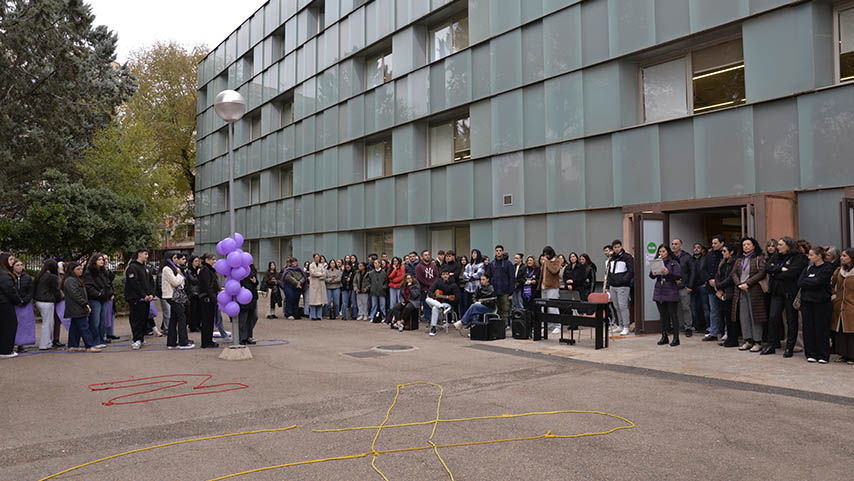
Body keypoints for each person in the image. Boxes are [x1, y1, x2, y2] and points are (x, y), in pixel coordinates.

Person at [764, 237, 807, 356]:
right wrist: (780, 269)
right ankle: (771, 345)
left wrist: (775, 273)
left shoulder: (799, 257)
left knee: (791, 320)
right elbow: (767, 267)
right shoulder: (777, 255)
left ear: (788, 246)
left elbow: (792, 273)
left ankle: (789, 347)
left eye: (780, 245)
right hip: (776, 292)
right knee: (773, 318)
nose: (777, 247)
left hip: (790, 292)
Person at [731, 237, 768, 352]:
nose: (746, 246)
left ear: (754, 246)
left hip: (754, 290)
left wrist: (748, 283)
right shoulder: (739, 259)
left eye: (748, 244)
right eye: (744, 245)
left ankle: (757, 342)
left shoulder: (759, 258)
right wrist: (739, 284)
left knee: (755, 316)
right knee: (744, 316)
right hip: (741, 290)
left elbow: (761, 272)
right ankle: (748, 340)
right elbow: (733, 273)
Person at [798, 246, 834, 364]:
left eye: (811, 255)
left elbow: (820, 282)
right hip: (807, 302)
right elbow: (800, 282)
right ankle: (810, 353)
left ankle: (823, 354)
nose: (809, 257)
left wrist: (809, 282)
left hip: (821, 302)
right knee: (808, 328)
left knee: (821, 328)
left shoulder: (827, 267)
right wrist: (812, 282)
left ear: (819, 256)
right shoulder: (809, 267)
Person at [62, 262, 100, 353]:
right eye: (78, 269)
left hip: (76, 307)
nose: (81, 271)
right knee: (84, 327)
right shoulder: (70, 280)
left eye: (81, 268)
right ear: (72, 270)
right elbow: (75, 294)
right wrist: (84, 303)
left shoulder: (74, 279)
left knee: (75, 328)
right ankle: (90, 345)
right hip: (77, 307)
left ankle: (73, 346)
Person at [650, 244, 682, 347]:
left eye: (663, 251)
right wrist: (653, 272)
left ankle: (676, 338)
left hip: (671, 291)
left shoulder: (673, 263)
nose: (661, 253)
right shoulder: (657, 262)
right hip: (660, 290)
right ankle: (664, 336)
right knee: (663, 316)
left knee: (673, 315)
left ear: (668, 252)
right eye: (660, 251)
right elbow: (651, 276)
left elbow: (678, 276)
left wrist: (668, 273)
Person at [161, 251, 194, 349]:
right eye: (174, 258)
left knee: (174, 319)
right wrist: (179, 275)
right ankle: (183, 341)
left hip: (177, 295)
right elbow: (175, 282)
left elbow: (180, 284)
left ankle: (171, 342)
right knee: (182, 318)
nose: (176, 260)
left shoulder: (174, 268)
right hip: (172, 296)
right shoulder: (167, 269)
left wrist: (179, 277)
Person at [125, 249, 155, 350]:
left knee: (144, 319)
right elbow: (134, 283)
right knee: (136, 319)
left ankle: (141, 338)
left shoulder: (146, 268)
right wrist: (143, 295)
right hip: (136, 299)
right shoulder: (132, 267)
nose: (147, 256)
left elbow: (151, 282)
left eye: (148, 254)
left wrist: (151, 294)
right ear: (139, 254)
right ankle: (136, 339)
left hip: (146, 299)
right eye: (145, 254)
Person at [830, 248, 854, 364]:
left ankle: (852, 356)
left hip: (851, 306)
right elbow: (831, 285)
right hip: (839, 306)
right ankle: (843, 355)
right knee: (841, 332)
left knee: (851, 332)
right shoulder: (839, 271)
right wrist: (834, 296)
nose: (841, 257)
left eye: (844, 256)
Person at [33, 260, 62, 351]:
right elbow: (56, 291)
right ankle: (45, 344)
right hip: (48, 301)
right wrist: (60, 298)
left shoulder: (39, 275)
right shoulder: (52, 277)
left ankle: (48, 343)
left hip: (39, 300)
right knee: (48, 323)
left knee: (47, 322)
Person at [607, 240, 634, 336]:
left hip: (623, 285)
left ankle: (626, 326)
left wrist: (623, 280)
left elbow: (631, 271)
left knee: (623, 306)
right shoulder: (612, 258)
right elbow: (609, 272)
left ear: (621, 247)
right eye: (615, 247)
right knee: (616, 306)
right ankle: (620, 325)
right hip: (613, 285)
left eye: (618, 247)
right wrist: (608, 285)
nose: (617, 249)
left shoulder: (627, 257)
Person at [714, 243, 739, 347]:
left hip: (730, 292)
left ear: (731, 252)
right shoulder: (723, 262)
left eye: (725, 251)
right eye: (722, 251)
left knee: (732, 317)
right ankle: (728, 339)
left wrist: (719, 286)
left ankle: (734, 340)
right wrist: (718, 287)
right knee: (725, 316)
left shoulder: (735, 262)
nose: (722, 253)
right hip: (722, 292)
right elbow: (717, 275)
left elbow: (731, 277)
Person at [670, 239, 695, 337]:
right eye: (672, 244)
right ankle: (674, 327)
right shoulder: (670, 257)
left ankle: (688, 327)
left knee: (686, 308)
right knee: (673, 308)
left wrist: (690, 286)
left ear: (681, 246)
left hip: (684, 286)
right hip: (672, 287)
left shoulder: (687, 257)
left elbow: (692, 272)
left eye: (676, 244)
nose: (674, 246)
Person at [702, 235, 725, 341]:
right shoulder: (709, 255)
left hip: (723, 287)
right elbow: (704, 269)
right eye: (712, 243)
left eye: (715, 243)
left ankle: (726, 332)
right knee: (713, 310)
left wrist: (718, 282)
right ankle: (714, 332)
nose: (713, 245)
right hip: (711, 287)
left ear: (722, 243)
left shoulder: (725, 254)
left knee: (725, 311)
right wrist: (709, 280)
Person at [426, 270, 460, 336]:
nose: (445, 276)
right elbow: (430, 291)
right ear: (441, 276)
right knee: (427, 299)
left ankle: (433, 328)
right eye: (443, 274)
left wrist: (448, 299)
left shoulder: (453, 285)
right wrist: (434, 296)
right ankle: (440, 306)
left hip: (448, 304)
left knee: (434, 308)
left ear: (449, 275)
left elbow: (457, 297)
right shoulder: (437, 282)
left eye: (446, 274)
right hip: (438, 302)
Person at [486, 245, 514, 325]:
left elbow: (511, 277)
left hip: (505, 289)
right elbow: (489, 276)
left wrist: (511, 289)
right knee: (496, 308)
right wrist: (490, 288)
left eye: (500, 250)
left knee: (505, 308)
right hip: (495, 290)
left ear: (502, 251)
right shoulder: (492, 264)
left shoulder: (508, 263)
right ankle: (498, 325)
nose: (498, 252)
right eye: (497, 251)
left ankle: (505, 324)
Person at [197, 253, 220, 348]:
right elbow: (208, 286)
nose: (214, 261)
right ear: (207, 260)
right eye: (212, 259)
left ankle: (208, 340)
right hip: (207, 299)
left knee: (210, 321)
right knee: (207, 321)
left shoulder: (209, 270)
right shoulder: (206, 270)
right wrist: (214, 299)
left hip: (209, 297)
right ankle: (206, 342)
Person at [690, 243, 711, 335]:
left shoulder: (705, 259)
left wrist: (706, 282)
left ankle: (708, 326)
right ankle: (695, 326)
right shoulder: (690, 259)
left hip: (703, 285)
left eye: (698, 247)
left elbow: (708, 271)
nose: (696, 249)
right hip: (692, 286)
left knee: (705, 307)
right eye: (694, 247)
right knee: (693, 307)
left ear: (702, 250)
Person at [238, 264, 259, 345]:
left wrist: (255, 282)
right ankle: (242, 338)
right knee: (243, 318)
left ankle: (248, 336)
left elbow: (256, 282)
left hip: (253, 296)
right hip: (244, 296)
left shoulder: (252, 269)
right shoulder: (240, 269)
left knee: (253, 317)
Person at [416, 250, 438, 320]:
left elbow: (436, 276)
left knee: (434, 304)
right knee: (426, 305)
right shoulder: (419, 267)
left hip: (434, 289)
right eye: (425, 255)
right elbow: (420, 278)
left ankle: (435, 319)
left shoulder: (433, 265)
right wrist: (429, 284)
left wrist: (434, 285)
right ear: (422, 257)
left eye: (428, 255)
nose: (427, 256)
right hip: (424, 289)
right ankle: (428, 320)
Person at [462, 249, 485, 316]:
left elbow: (478, 274)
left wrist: (469, 277)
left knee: (475, 305)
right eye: (472, 253)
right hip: (467, 288)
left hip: (476, 288)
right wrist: (470, 277)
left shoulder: (481, 264)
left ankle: (475, 319)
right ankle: (467, 319)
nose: (473, 255)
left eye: (475, 253)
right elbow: (464, 275)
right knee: (466, 305)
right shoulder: (468, 265)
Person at [307, 254, 327, 321]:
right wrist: (320, 274)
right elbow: (313, 273)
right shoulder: (311, 265)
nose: (317, 258)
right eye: (316, 257)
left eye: (318, 257)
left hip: (321, 285)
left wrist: (319, 275)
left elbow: (325, 274)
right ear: (313, 258)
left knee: (320, 301)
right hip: (314, 285)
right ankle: (313, 316)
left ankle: (319, 316)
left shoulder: (321, 265)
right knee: (313, 301)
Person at [185, 256, 202, 332]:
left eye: (198, 261)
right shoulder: (189, 271)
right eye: (195, 261)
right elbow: (193, 281)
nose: (197, 263)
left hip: (199, 292)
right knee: (193, 310)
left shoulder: (199, 270)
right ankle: (193, 325)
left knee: (199, 310)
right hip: (193, 293)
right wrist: (198, 275)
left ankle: (198, 324)